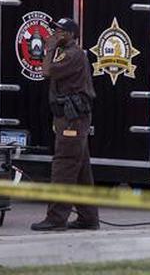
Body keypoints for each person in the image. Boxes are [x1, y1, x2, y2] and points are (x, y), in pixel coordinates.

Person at [31, 17, 100, 231]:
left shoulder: (73, 55)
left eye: (60, 31)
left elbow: (46, 71)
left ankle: (56, 219)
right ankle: (88, 218)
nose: (55, 34)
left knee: (64, 166)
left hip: (73, 119)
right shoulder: (68, 53)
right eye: (55, 30)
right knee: (80, 170)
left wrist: (49, 48)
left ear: (70, 35)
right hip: (70, 117)